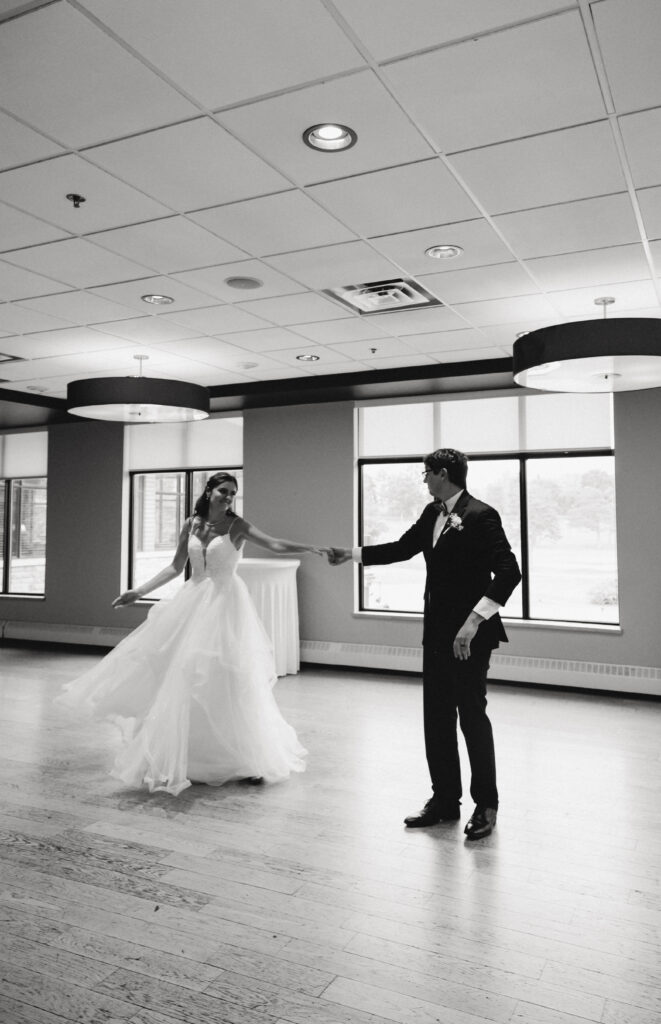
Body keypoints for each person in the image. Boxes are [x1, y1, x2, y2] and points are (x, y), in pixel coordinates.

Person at [56, 472, 324, 796]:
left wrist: (311, 547)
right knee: (182, 675)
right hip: (193, 600)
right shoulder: (192, 524)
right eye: (224, 491)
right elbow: (174, 566)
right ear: (209, 491)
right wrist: (138, 591)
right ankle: (187, 755)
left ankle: (245, 758)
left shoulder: (237, 525)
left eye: (233, 493)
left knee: (229, 678)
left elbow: (274, 543)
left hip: (226, 605)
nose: (228, 497)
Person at [328, 448, 521, 840]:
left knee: (471, 717)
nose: (424, 480)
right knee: (436, 718)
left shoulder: (482, 515)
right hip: (435, 634)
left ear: (443, 473)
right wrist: (350, 555)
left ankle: (486, 805)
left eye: (426, 473)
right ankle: (445, 801)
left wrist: (473, 620)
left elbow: (508, 571)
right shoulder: (432, 513)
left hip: (469, 636)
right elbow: (402, 548)